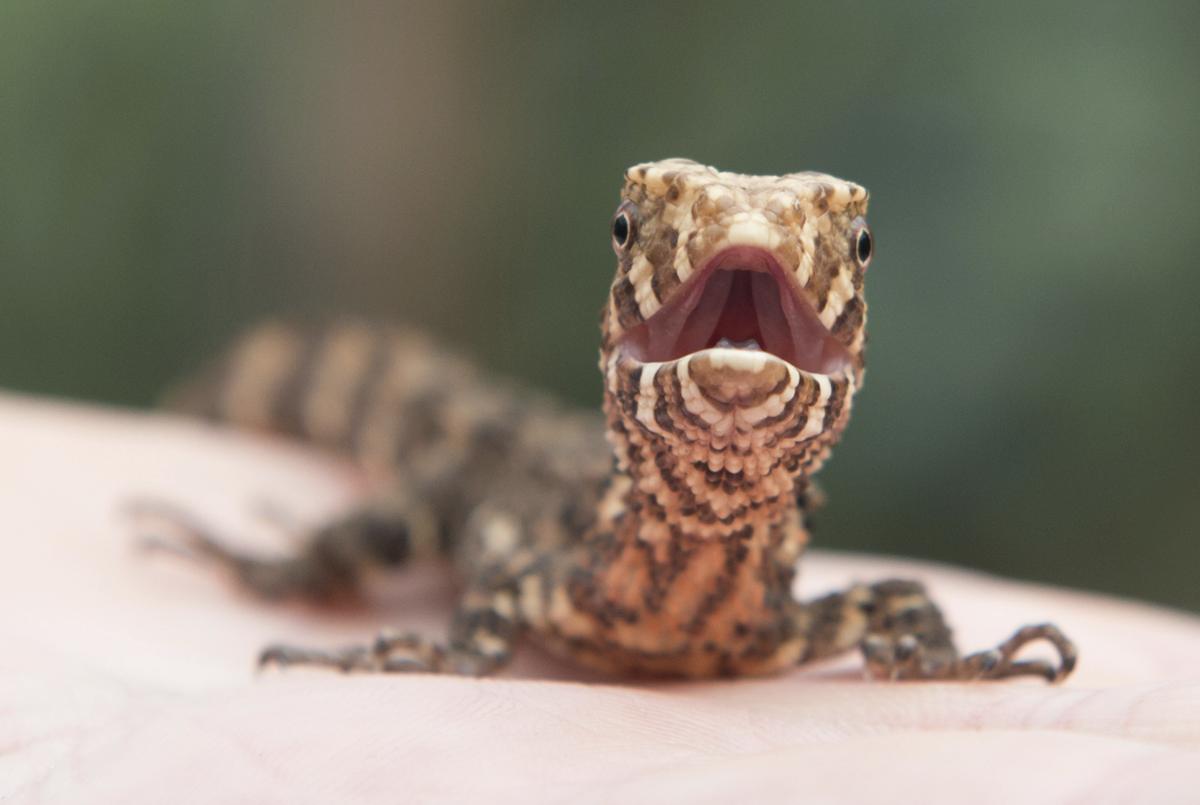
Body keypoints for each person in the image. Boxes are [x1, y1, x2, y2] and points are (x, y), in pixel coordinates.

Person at [3, 393, 1197, 802]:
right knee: (401, 526)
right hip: (498, 465)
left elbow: (891, 601)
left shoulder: (792, 616)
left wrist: (931, 658)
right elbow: (506, 584)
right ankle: (289, 561)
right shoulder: (556, 581)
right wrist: (437, 645)